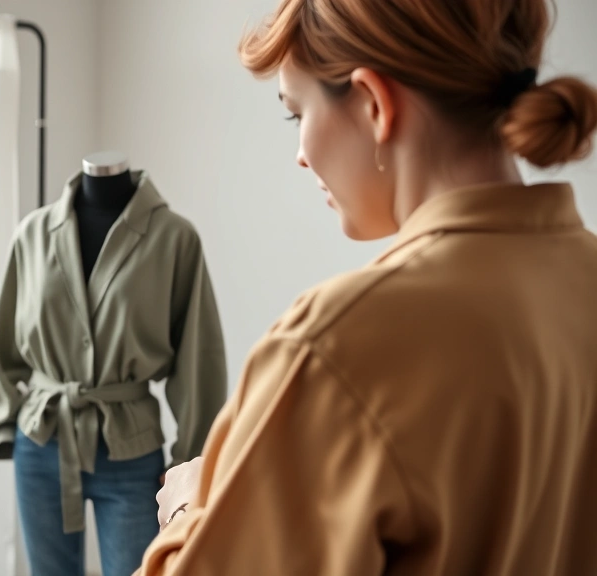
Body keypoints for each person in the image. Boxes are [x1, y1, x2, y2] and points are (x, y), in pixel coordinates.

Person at [135, 0, 597, 574]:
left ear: (374, 104)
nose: (301, 157)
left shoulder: (335, 347)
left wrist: (192, 504)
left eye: (295, 113)